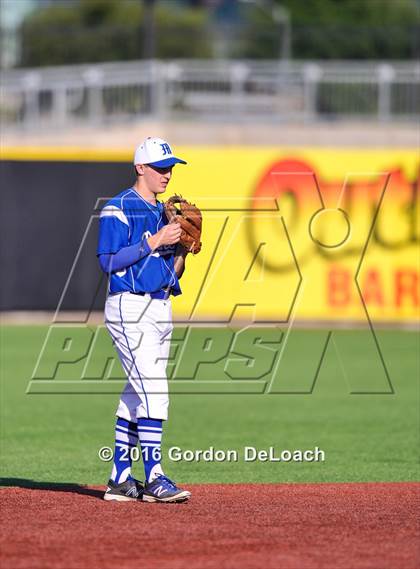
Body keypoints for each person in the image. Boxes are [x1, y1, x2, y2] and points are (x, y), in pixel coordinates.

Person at [97, 137, 191, 503]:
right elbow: (108, 262)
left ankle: (120, 478)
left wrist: (181, 248)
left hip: (160, 306)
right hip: (128, 307)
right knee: (154, 388)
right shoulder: (117, 209)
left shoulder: (167, 213)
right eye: (160, 168)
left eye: (170, 168)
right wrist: (155, 241)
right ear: (140, 168)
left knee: (137, 392)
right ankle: (154, 476)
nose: (167, 174)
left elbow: (171, 273)